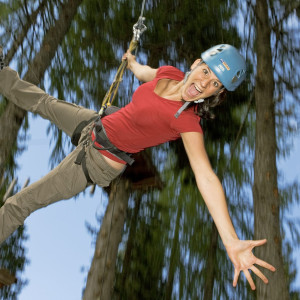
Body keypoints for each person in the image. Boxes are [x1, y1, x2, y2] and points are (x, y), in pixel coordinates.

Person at [0, 44, 275, 289]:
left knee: (21, 202)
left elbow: (205, 176)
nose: (205, 83)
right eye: (206, 72)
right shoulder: (170, 74)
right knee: (44, 102)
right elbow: (146, 73)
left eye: (215, 84)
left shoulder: (187, 122)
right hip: (96, 124)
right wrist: (131, 62)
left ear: (217, 93)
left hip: (97, 160)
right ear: (195, 64)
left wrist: (230, 240)